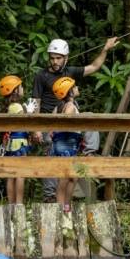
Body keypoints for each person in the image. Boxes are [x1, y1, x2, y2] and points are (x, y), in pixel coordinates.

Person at [33, 36, 118, 202]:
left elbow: (94, 67)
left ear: (65, 58)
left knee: (88, 120)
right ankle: (51, 197)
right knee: (52, 153)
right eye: (52, 58)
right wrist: (36, 128)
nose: (55, 61)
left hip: (68, 121)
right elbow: (36, 103)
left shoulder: (69, 72)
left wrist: (105, 49)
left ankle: (89, 153)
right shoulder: (41, 76)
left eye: (58, 58)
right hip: (49, 121)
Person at [0, 74, 37, 205]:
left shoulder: (10, 106)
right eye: (21, 86)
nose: (23, 88)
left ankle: (11, 203)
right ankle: (19, 203)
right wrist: (30, 113)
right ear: (15, 90)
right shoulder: (17, 107)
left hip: (10, 144)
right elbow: (25, 123)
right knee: (20, 174)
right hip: (19, 142)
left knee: (11, 174)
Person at [50, 76, 82, 211]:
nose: (77, 88)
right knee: (65, 177)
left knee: (72, 177)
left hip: (69, 142)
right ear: (69, 91)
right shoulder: (69, 106)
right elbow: (65, 121)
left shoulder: (62, 106)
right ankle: (61, 205)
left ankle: (66, 205)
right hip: (66, 142)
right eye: (74, 87)